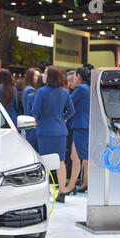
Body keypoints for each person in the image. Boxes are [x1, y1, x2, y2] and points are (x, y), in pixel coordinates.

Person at [31, 66, 75, 203]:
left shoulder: (41, 92)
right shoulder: (65, 92)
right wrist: (63, 119)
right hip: (61, 131)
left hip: (45, 131)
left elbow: (35, 111)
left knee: (44, 162)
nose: (43, 76)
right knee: (60, 161)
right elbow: (72, 111)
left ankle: (44, 192)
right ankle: (62, 191)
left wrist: (39, 121)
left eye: (45, 74)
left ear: (49, 77)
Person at [63, 67, 91, 195]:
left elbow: (68, 102)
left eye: (74, 77)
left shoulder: (81, 89)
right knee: (81, 157)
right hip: (85, 125)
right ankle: (81, 183)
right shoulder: (88, 88)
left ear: (79, 76)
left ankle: (71, 185)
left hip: (80, 125)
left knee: (76, 157)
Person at [22, 68, 41, 150]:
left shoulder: (27, 88)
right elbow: (34, 109)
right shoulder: (30, 90)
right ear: (30, 77)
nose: (39, 78)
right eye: (36, 76)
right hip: (32, 125)